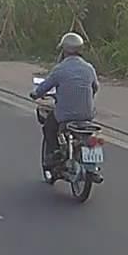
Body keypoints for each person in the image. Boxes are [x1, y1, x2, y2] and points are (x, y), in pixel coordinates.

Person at [29, 32, 99, 169]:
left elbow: (44, 87)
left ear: (64, 50)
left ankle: (55, 153)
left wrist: (35, 94)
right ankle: (92, 167)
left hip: (65, 115)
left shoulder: (60, 69)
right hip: (87, 115)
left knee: (49, 127)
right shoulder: (89, 68)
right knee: (92, 137)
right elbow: (95, 87)